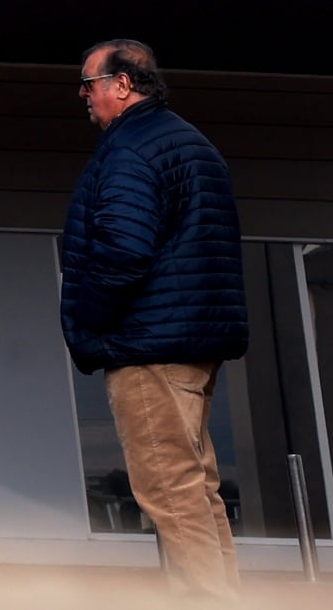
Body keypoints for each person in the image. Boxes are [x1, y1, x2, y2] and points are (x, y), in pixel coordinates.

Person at [63, 38, 248, 599]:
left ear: (122, 85)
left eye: (89, 83)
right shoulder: (190, 141)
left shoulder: (130, 149)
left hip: (148, 346)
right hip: (189, 342)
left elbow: (122, 249)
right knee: (197, 489)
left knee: (169, 490)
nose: (83, 96)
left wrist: (89, 324)